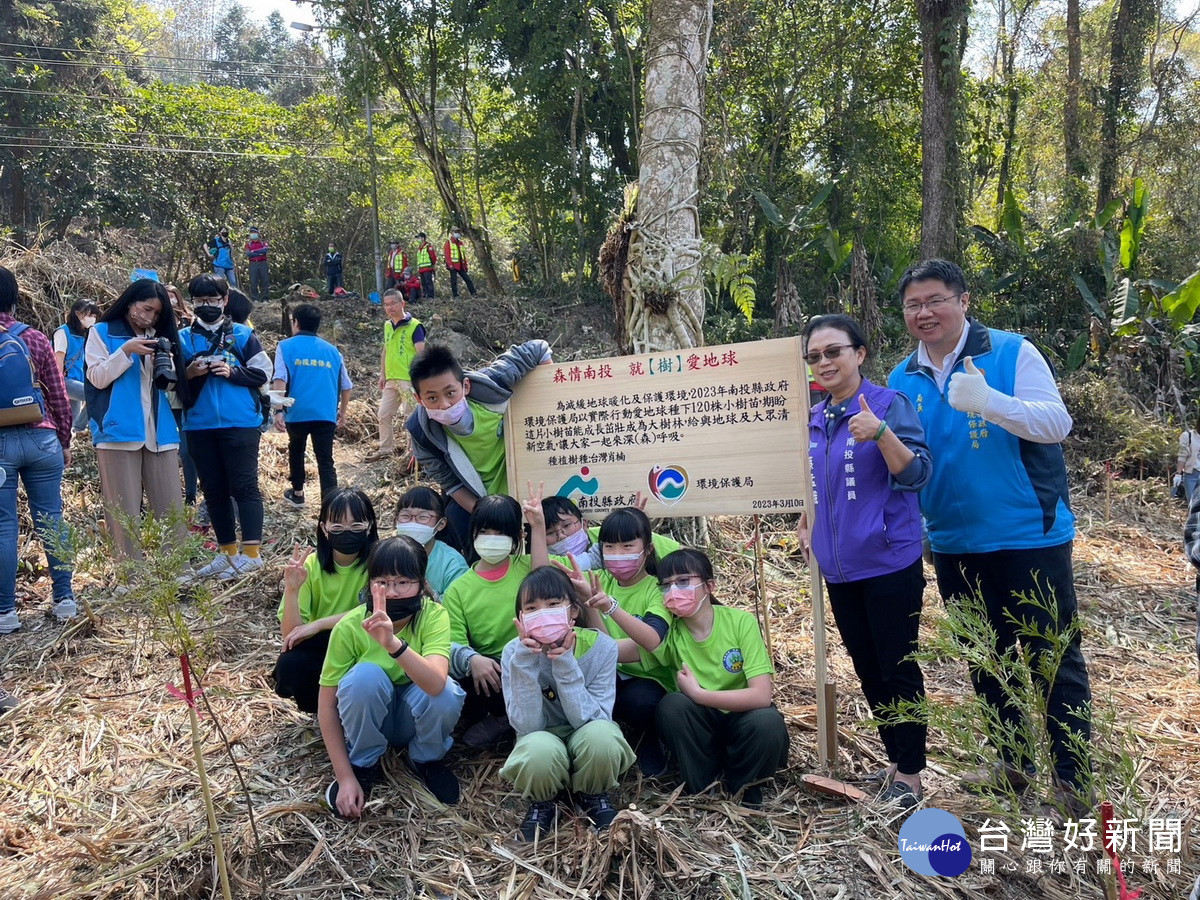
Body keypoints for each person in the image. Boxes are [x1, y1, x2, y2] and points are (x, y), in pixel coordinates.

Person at [887, 258, 1092, 817]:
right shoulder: (903, 377)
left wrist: (989, 403)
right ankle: (1014, 764)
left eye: (935, 300)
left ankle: (1073, 782)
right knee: (987, 656)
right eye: (913, 304)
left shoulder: (1010, 352)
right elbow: (906, 460)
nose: (924, 312)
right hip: (953, 542)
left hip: (1030, 534)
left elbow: (1056, 423)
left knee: (1051, 658)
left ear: (963, 301)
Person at [799, 313, 932, 808]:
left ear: (860, 353)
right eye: (814, 356)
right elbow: (819, 487)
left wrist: (880, 434)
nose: (824, 362)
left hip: (888, 562)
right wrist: (808, 519)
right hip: (838, 566)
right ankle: (895, 762)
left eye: (834, 351)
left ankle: (913, 775)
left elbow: (918, 475)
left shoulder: (888, 405)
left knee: (897, 667)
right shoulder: (816, 418)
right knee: (867, 667)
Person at [626, 548, 789, 805]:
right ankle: (702, 787)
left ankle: (747, 789)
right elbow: (619, 650)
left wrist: (700, 694)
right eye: (666, 585)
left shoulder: (740, 622)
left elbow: (761, 695)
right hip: (701, 724)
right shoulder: (669, 632)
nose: (674, 591)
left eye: (683, 581)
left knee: (768, 722)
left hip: (743, 717)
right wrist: (602, 610)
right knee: (672, 706)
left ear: (709, 586)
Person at [318, 537, 466, 815]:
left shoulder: (434, 616)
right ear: (370, 583)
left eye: (403, 582)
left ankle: (426, 759)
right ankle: (363, 762)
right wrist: (344, 776)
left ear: (421, 584)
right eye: (383, 582)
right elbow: (326, 706)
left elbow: (435, 684)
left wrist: (392, 644)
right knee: (363, 677)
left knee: (447, 690)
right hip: (374, 717)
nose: (393, 592)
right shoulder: (350, 626)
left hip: (415, 715)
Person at [500, 566, 634, 842]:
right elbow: (526, 725)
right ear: (521, 618)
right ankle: (544, 802)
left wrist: (565, 665)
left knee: (603, 736)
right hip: (543, 736)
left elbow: (594, 720)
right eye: (532, 608)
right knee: (537, 748)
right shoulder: (513, 652)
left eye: (552, 604)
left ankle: (594, 795)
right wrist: (525, 663)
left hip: (585, 732)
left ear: (573, 610)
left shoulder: (602, 648)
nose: (543, 613)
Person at [560, 507, 679, 776]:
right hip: (610, 673)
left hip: (649, 678)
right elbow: (604, 643)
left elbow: (650, 640)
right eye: (609, 546)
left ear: (647, 549)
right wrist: (589, 600)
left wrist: (610, 607)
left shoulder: (658, 588)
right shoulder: (599, 581)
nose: (618, 554)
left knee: (640, 702)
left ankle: (645, 737)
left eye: (628, 546)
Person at [406, 340, 552, 550]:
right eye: (432, 398)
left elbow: (538, 348)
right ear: (418, 399)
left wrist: (550, 395)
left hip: (531, 484)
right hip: (481, 496)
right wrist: (489, 516)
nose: (444, 404)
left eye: (450, 393)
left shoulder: (494, 383)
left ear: (465, 386)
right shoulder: (421, 434)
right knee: (455, 531)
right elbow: (451, 484)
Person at [177, 274, 272, 582]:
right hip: (199, 425)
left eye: (213, 300)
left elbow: (263, 372)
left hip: (241, 422)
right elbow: (169, 382)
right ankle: (227, 554)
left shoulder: (243, 335)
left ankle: (252, 555)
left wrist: (232, 371)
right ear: (192, 303)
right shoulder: (183, 338)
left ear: (225, 301)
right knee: (214, 489)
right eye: (200, 301)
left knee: (244, 486)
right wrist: (190, 372)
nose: (206, 306)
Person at [85, 279, 188, 558]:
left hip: (160, 431)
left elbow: (171, 386)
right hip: (117, 431)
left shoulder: (160, 336)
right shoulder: (102, 332)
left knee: (171, 508)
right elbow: (96, 377)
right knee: (123, 511)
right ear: (130, 302)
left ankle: (178, 570)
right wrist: (126, 351)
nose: (150, 317)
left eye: (156, 313)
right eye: (146, 309)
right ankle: (130, 576)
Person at [0, 266, 77, 634]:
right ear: (14, 299)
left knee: (3, 527)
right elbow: (59, 395)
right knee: (51, 518)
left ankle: (5, 612)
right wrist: (63, 441)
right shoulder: (33, 337)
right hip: (42, 438)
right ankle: (64, 599)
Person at [444, 490, 550, 747]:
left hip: (535, 657)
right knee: (467, 680)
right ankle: (504, 718)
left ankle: (521, 722)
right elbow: (453, 643)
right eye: (485, 532)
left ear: (516, 537)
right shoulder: (458, 589)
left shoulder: (526, 567)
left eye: (501, 533)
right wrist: (473, 659)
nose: (492, 540)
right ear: (473, 533)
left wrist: (538, 526)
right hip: (493, 670)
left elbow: (545, 581)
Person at [275, 488, 378, 714]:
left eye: (356, 526)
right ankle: (322, 712)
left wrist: (320, 623)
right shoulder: (310, 566)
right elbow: (290, 635)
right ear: (324, 528)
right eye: (337, 526)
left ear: (370, 525)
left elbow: (377, 610)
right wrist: (292, 590)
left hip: (367, 640)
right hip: (325, 645)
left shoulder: (380, 561)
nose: (347, 532)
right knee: (290, 663)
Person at [273, 303, 352, 507]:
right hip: (325, 414)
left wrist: (278, 409)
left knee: (296, 450)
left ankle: (298, 494)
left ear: (296, 323)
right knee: (326, 459)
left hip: (297, 412)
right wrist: (342, 412)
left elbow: (280, 379)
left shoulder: (285, 346)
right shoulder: (333, 351)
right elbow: (346, 385)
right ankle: (331, 505)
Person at [365, 289, 426, 463]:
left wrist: (419, 378)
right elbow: (385, 350)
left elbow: (421, 354)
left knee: (410, 415)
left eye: (393, 303)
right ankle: (385, 450)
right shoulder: (387, 325)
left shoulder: (415, 326)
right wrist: (382, 374)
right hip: (391, 379)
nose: (390, 307)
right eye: (386, 304)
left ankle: (412, 453)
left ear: (402, 304)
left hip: (409, 379)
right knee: (383, 414)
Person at [393, 486, 467, 600]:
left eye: (423, 517)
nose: (413, 523)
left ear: (441, 524)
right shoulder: (387, 554)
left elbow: (459, 606)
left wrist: (433, 597)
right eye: (406, 516)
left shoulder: (452, 563)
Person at [164, 286, 199, 510]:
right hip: (164, 393)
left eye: (173, 297)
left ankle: (191, 494)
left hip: (185, 394)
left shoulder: (191, 323)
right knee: (166, 448)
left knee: (187, 450)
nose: (170, 301)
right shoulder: (155, 325)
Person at [53, 299, 101, 432]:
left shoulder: (86, 334)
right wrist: (58, 386)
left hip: (78, 380)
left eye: (94, 316)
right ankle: (79, 430)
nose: (93, 319)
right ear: (79, 314)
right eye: (90, 315)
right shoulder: (63, 332)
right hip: (66, 380)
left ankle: (70, 439)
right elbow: (59, 358)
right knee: (95, 396)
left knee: (71, 420)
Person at [443, 227, 478, 299]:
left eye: (458, 232)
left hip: (461, 265)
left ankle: (474, 294)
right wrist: (450, 264)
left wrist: (465, 266)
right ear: (452, 233)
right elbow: (447, 255)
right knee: (454, 281)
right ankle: (455, 295)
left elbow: (463, 255)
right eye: (456, 232)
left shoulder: (460, 243)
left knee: (467, 279)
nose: (457, 233)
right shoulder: (448, 242)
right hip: (453, 265)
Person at [1177, 416, 1200, 502]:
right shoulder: (1188, 436)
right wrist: (1178, 474)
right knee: (1193, 503)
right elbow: (1182, 456)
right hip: (1191, 475)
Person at [244, 227, 270, 303]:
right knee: (253, 281)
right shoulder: (248, 244)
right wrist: (259, 253)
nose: (253, 234)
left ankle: (265, 298)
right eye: (252, 233)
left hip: (263, 263)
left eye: (255, 232)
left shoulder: (263, 243)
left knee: (265, 280)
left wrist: (254, 251)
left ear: (258, 234)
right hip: (253, 263)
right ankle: (255, 298)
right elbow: (248, 253)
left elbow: (265, 250)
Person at [414, 232, 437, 299]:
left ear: (423, 238)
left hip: (427, 268)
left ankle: (431, 296)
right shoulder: (420, 248)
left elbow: (433, 257)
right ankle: (425, 295)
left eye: (419, 238)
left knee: (428, 282)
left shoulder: (428, 246)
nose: (418, 239)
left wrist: (432, 265)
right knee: (423, 283)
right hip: (421, 268)